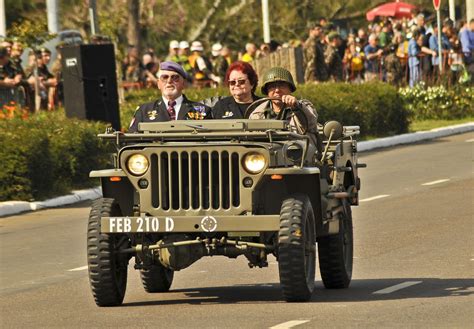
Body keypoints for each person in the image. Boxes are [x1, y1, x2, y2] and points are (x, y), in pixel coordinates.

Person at [128, 61, 212, 132]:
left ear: (183, 84)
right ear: (158, 84)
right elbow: (132, 141)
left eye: (175, 78)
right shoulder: (144, 111)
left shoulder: (202, 111)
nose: (169, 81)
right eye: (164, 77)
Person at [247, 67, 319, 146]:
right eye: (272, 87)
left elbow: (311, 123)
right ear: (267, 91)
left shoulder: (303, 106)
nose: (277, 90)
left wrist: (296, 107)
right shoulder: (258, 113)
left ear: (290, 89)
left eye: (282, 86)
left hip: (299, 153)